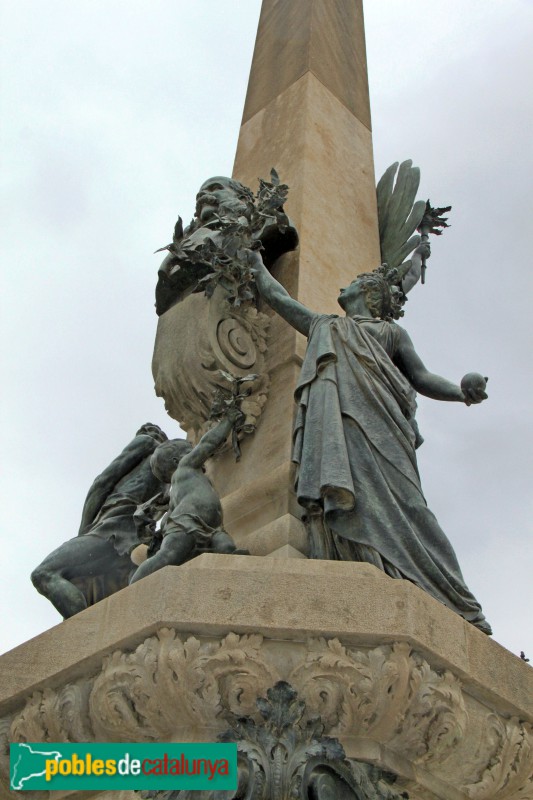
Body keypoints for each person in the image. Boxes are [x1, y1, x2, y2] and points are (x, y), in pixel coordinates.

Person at [248, 245, 491, 634]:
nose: (341, 287)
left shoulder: (392, 333)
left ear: (367, 292)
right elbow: (279, 299)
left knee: (412, 505)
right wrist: (256, 263)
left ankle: (456, 597)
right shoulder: (327, 326)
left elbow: (421, 377)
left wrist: (460, 392)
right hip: (342, 427)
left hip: (385, 428)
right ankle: (364, 560)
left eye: (351, 283)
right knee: (353, 492)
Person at [31, 423, 176, 618]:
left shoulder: (147, 442)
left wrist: (84, 531)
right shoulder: (169, 481)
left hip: (112, 530)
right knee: (88, 593)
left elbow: (102, 483)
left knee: (43, 574)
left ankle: (84, 631)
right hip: (135, 540)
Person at [130, 408, 243, 584]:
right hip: (187, 523)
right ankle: (136, 583)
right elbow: (207, 443)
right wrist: (228, 421)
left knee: (227, 547)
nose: (194, 452)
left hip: (211, 527)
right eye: (189, 450)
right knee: (168, 556)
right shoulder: (185, 467)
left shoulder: (181, 487)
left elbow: (169, 516)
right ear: (177, 460)